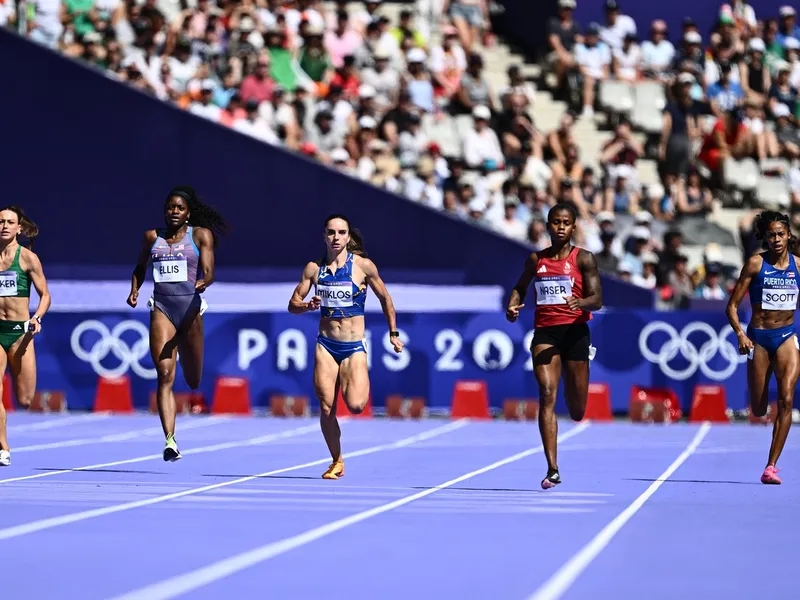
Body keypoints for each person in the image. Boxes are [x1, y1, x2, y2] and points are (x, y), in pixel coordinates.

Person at [288, 214, 403, 479]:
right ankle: (337, 460)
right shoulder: (313, 269)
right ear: (324, 236)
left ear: (348, 237)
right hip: (326, 345)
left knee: (355, 405)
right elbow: (292, 304)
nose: (336, 238)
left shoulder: (363, 266)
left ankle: (353, 381)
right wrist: (306, 306)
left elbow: (385, 299)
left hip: (352, 347)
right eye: (331, 232)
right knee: (326, 407)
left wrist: (393, 333)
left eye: (341, 233)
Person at [505, 202, 603, 489]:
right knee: (547, 392)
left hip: (576, 333)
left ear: (573, 227)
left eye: (566, 222)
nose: (560, 227)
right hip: (545, 334)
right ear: (548, 225)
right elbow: (520, 287)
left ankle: (573, 409)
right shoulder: (536, 259)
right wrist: (512, 306)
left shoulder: (584, 259)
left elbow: (597, 298)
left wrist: (580, 302)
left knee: (576, 410)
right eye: (556, 222)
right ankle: (552, 468)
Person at [127, 186, 227, 462]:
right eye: (170, 207)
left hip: (191, 310)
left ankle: (188, 362)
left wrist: (204, 281)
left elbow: (209, 271)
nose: (174, 212)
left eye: (179, 208)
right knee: (165, 375)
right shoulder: (152, 237)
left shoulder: (200, 235)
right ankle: (170, 441)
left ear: (188, 213)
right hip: (162, 308)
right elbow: (139, 268)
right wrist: (134, 289)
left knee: (193, 379)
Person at [726, 210, 799, 485]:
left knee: (787, 399)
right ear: (765, 238)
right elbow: (731, 306)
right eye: (771, 235)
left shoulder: (799, 266)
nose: (777, 239)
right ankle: (762, 402)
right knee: (758, 409)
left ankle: (771, 466)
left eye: (781, 234)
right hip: (759, 339)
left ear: (789, 236)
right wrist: (740, 335)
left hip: (786, 337)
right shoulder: (756, 264)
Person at [0, 206, 51, 467]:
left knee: (25, 400)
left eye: (10, 222)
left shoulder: (28, 258)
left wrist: (36, 318)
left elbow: (45, 295)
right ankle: (3, 446)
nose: (4, 226)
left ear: (19, 228)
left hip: (21, 334)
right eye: (1, 221)